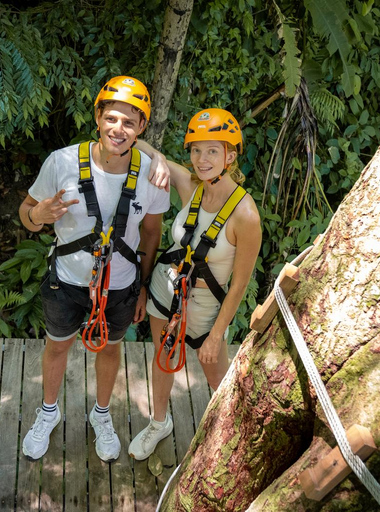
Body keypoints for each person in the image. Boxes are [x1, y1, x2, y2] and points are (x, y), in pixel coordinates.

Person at [18, 76, 169, 462]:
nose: (119, 129)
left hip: (120, 285)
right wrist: (38, 214)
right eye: (112, 118)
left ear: (142, 128)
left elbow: (151, 233)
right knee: (57, 346)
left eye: (130, 122)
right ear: (99, 118)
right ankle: (49, 411)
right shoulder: (63, 161)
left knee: (110, 350)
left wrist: (142, 286)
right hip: (67, 279)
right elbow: (27, 214)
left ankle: (101, 414)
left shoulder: (153, 174)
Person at [128, 108, 262, 460]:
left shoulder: (245, 216)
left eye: (212, 151)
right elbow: (137, 144)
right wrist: (156, 157)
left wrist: (217, 334)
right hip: (164, 293)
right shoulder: (190, 186)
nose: (201, 160)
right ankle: (159, 423)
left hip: (205, 311)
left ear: (230, 156)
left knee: (222, 383)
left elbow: (239, 286)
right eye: (196, 150)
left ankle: (235, 439)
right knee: (163, 360)